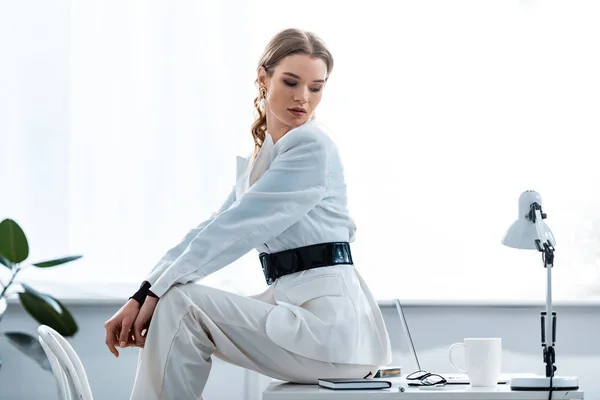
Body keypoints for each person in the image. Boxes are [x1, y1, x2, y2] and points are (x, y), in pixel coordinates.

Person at [104, 27, 392, 400]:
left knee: (180, 301)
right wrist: (143, 293)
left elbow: (235, 231)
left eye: (316, 87)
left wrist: (154, 293)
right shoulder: (266, 155)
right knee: (176, 300)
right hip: (300, 314)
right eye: (291, 82)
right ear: (263, 76)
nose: (303, 98)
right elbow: (209, 228)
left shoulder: (312, 145)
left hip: (332, 332)